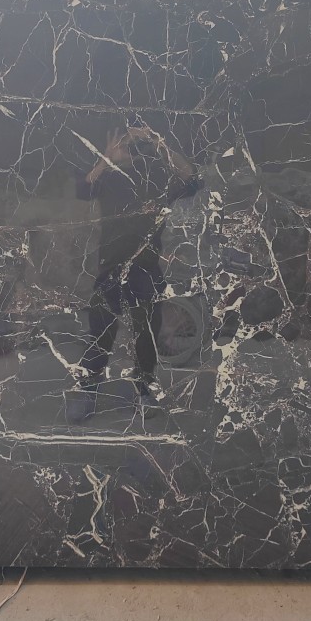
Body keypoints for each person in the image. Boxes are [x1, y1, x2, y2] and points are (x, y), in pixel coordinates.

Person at [67, 120, 199, 422]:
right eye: (124, 142)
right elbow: (83, 189)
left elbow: (191, 177)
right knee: (101, 331)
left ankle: (144, 392)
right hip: (110, 265)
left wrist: (157, 141)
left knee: (146, 333)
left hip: (146, 267)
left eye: (132, 144)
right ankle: (88, 391)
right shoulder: (109, 178)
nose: (128, 149)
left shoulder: (155, 177)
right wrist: (107, 158)